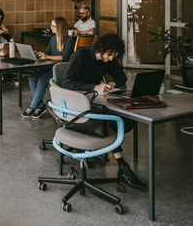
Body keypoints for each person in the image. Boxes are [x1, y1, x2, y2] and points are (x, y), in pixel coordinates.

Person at [62, 33, 148, 191]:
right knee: (109, 119)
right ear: (100, 49)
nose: (110, 59)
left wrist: (112, 82)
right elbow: (67, 83)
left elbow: (121, 76)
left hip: (94, 100)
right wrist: (94, 87)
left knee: (122, 117)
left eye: (113, 55)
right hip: (76, 103)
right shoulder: (80, 55)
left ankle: (119, 160)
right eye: (109, 54)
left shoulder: (107, 59)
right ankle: (123, 166)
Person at [21, 17, 75, 119]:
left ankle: (32, 106)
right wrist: (40, 54)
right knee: (32, 78)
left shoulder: (69, 40)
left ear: (60, 27)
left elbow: (63, 58)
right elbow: (48, 53)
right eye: (51, 25)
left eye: (53, 26)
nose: (51, 27)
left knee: (41, 80)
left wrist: (47, 56)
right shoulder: (53, 39)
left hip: (60, 70)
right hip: (51, 67)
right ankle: (40, 106)